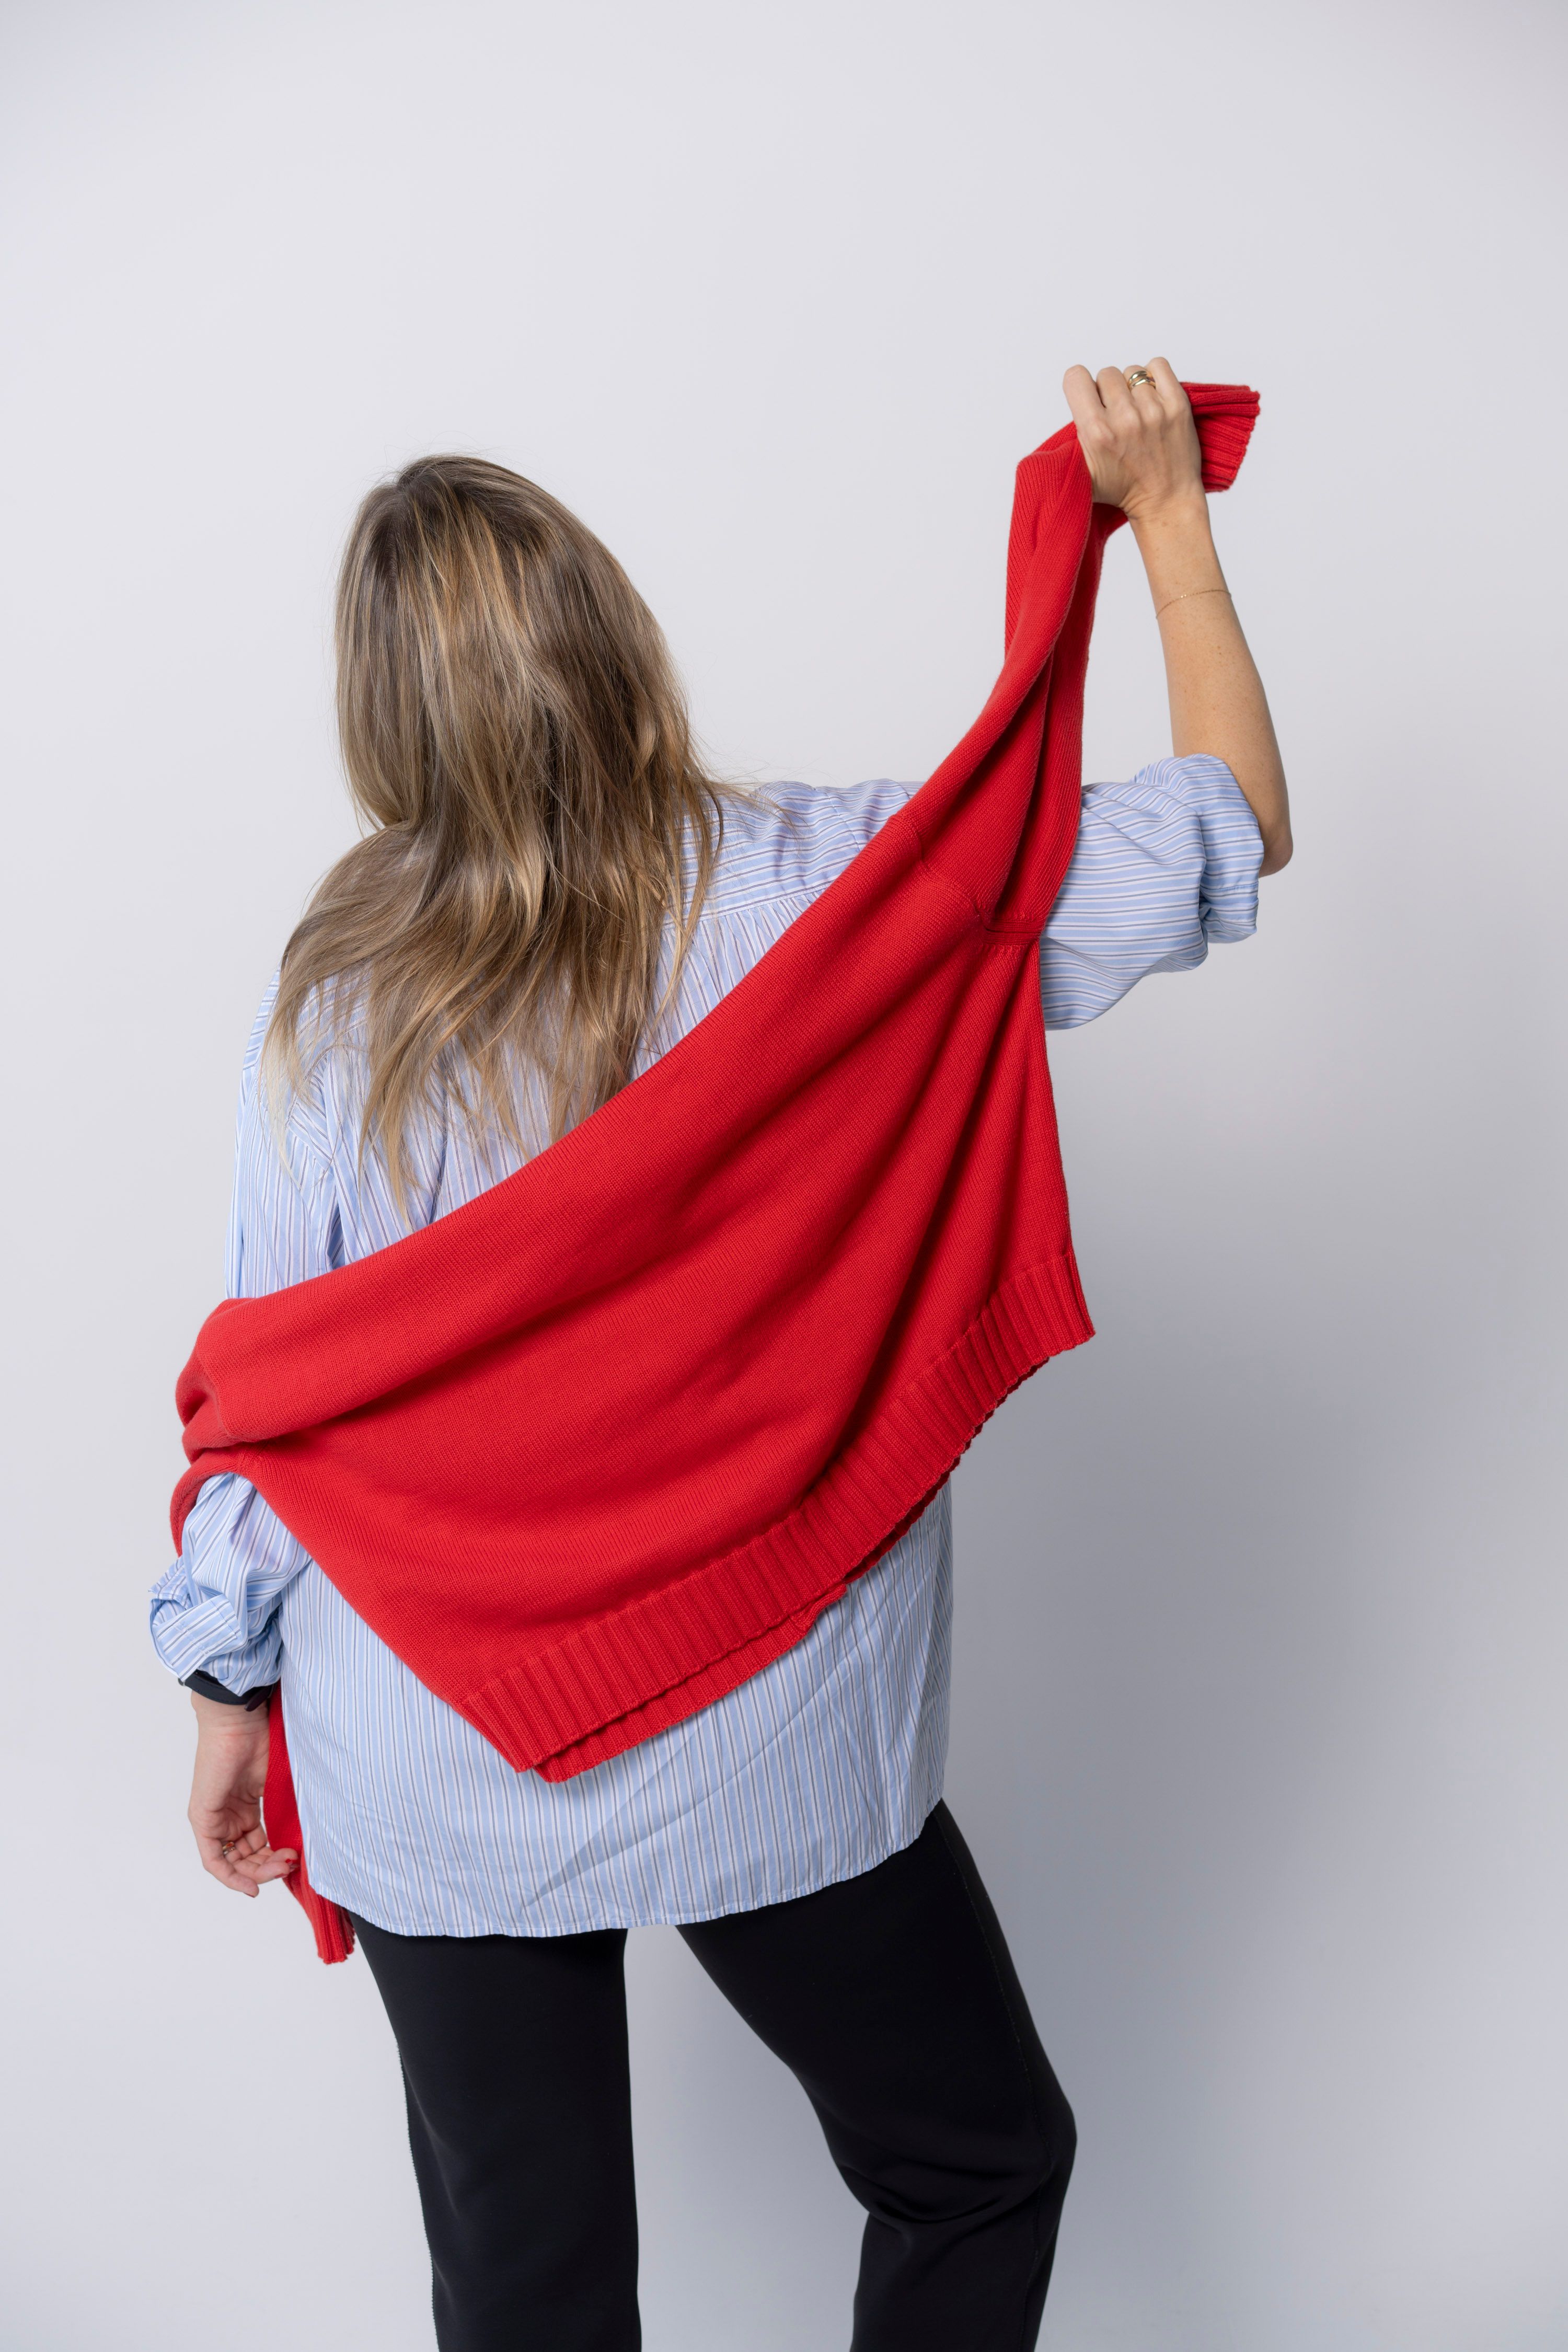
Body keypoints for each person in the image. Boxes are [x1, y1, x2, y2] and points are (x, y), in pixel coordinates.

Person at [151, 358, 1289, 2352]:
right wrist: (1170, 531)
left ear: (383, 720)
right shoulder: (844, 893)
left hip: (432, 1714)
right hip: (767, 1698)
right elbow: (1233, 830)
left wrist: (227, 1677)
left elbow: (279, 1380)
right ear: (612, 635)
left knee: (529, 2291)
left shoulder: (331, 991)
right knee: (973, 2159)